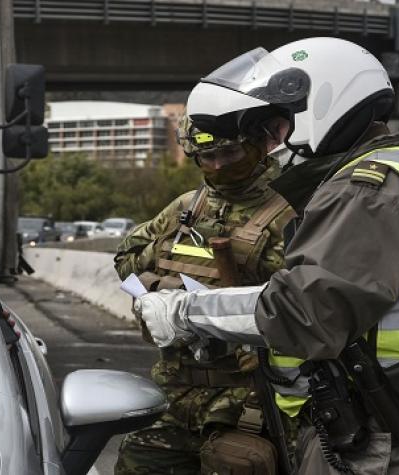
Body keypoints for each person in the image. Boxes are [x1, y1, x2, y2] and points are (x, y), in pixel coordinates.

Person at [133, 37, 399, 474]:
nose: (273, 145)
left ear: (322, 102)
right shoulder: (377, 179)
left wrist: (186, 311)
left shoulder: (368, 190)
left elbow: (305, 310)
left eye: (278, 127)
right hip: (375, 419)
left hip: (385, 430)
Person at [113, 113, 295, 474]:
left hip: (250, 404)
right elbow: (126, 259)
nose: (217, 166)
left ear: (260, 145)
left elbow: (304, 302)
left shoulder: (291, 210)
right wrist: (163, 286)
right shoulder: (186, 208)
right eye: (206, 158)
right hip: (177, 398)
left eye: (229, 155)